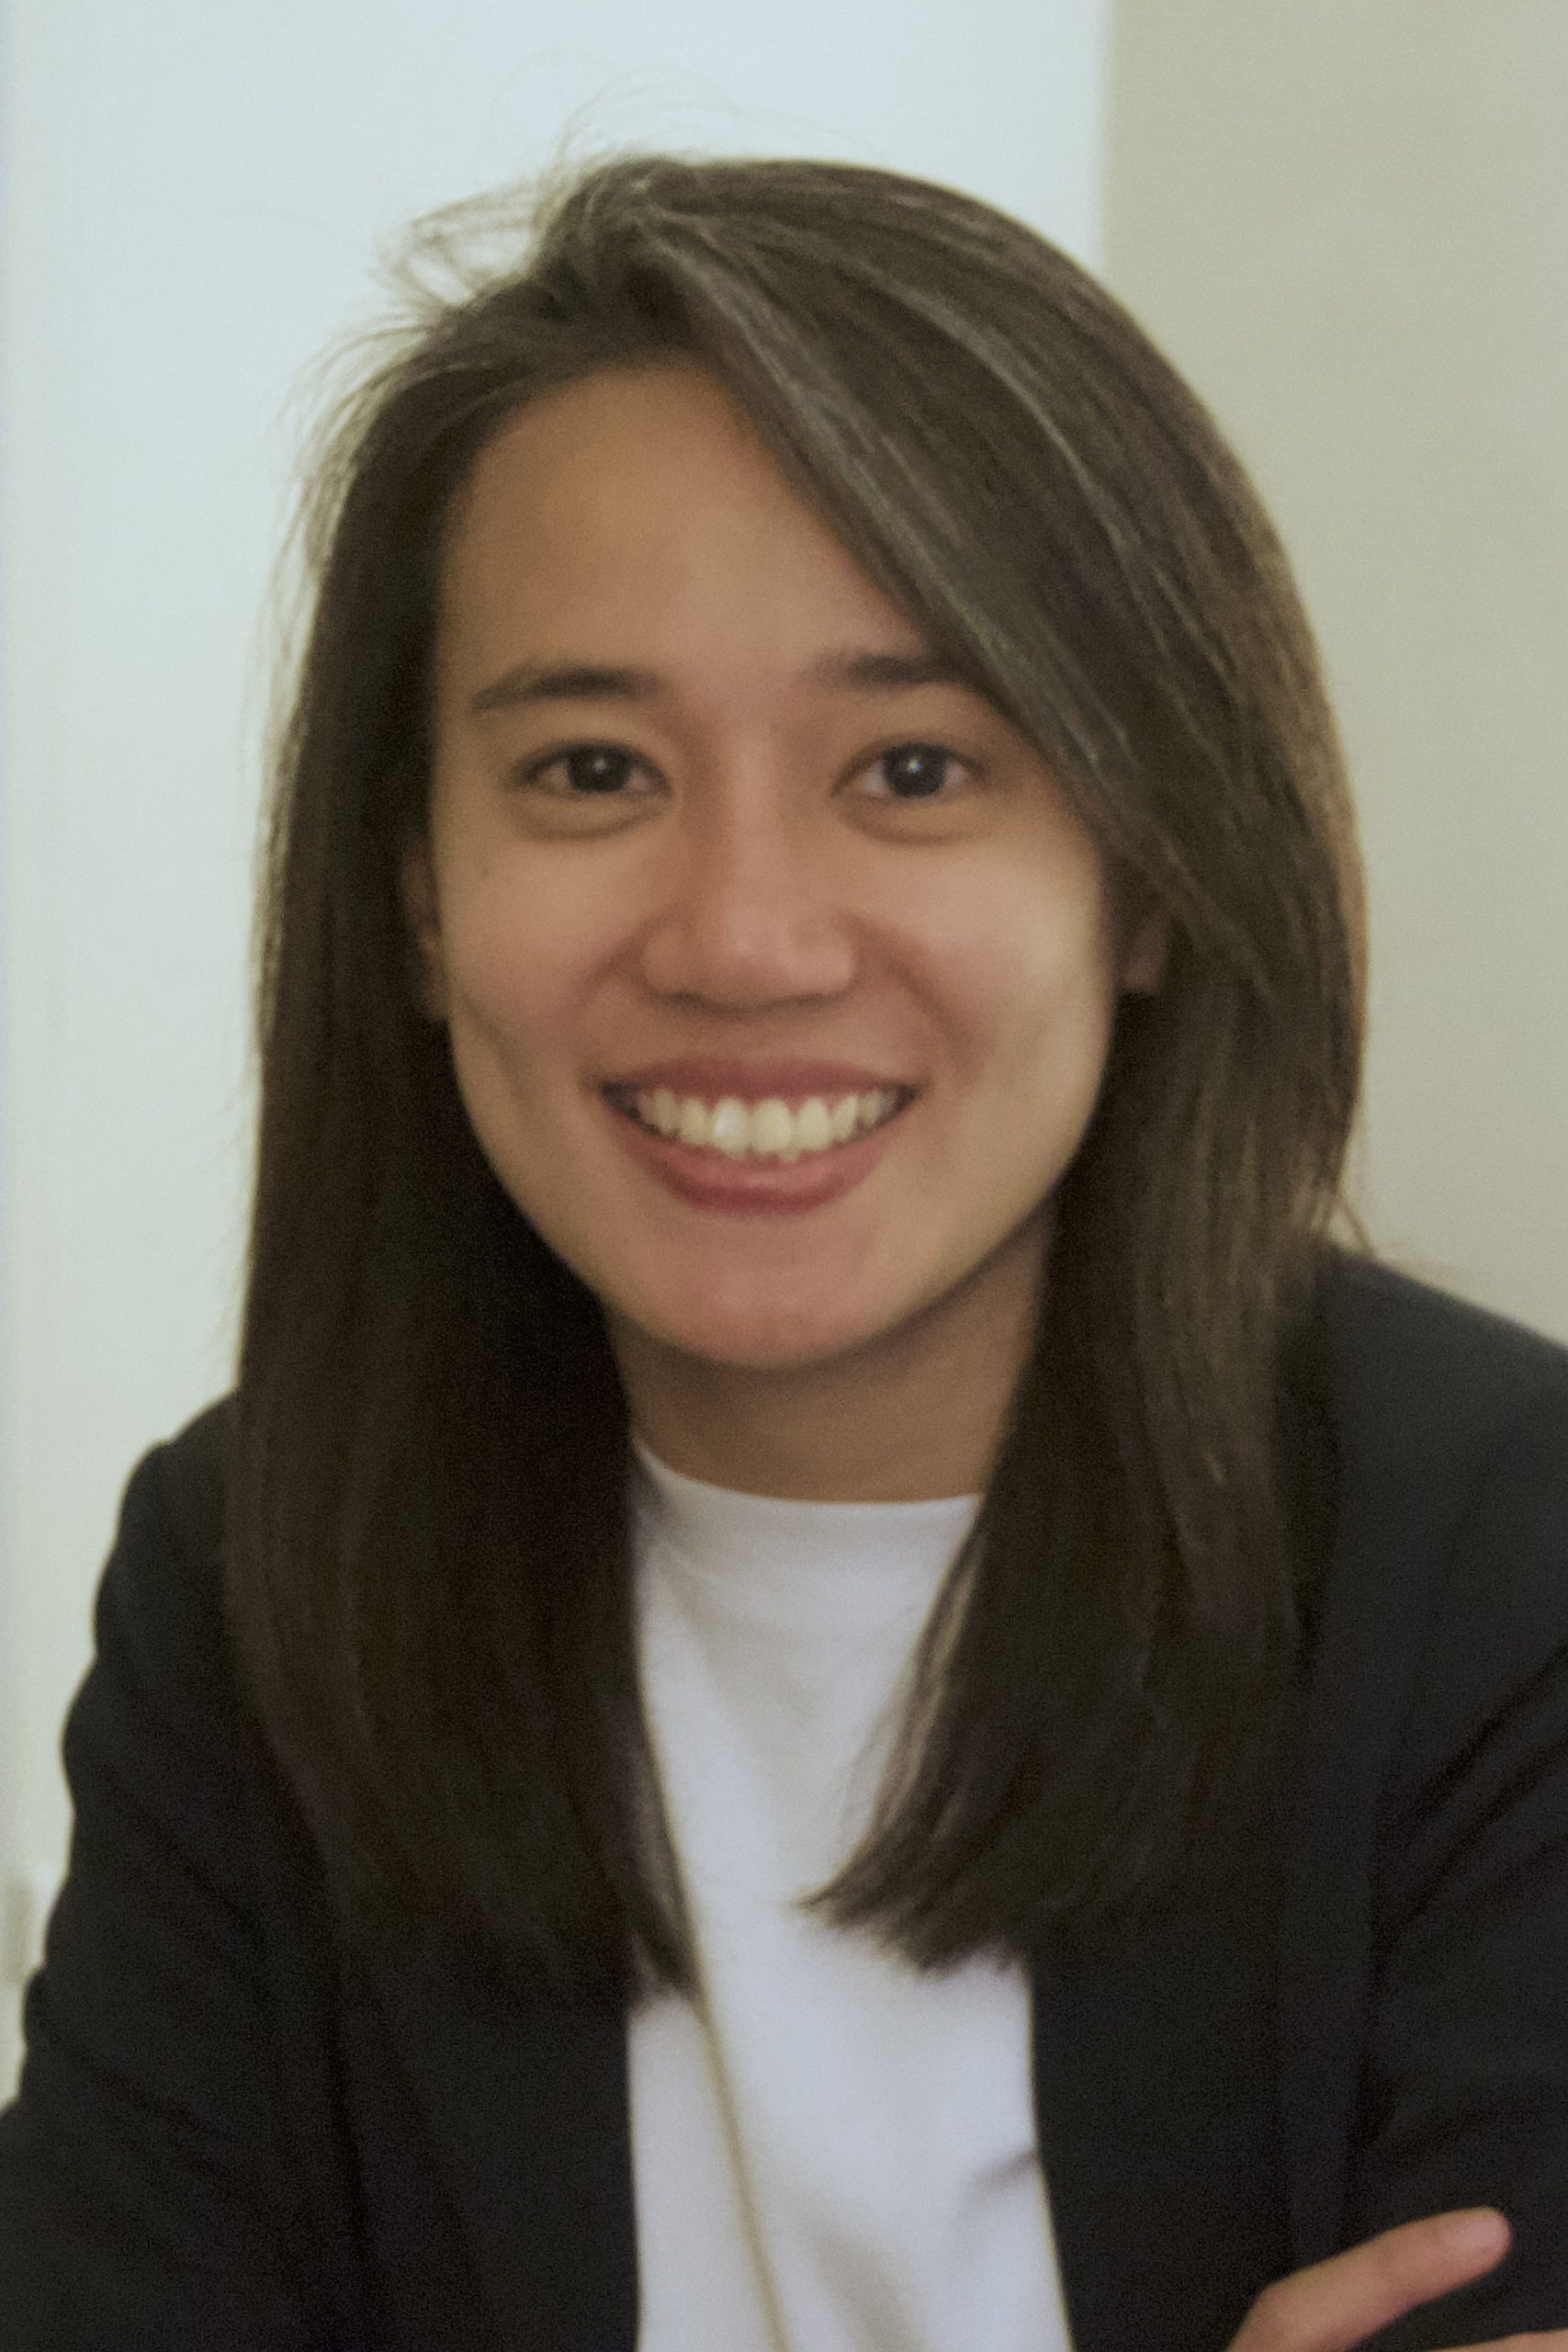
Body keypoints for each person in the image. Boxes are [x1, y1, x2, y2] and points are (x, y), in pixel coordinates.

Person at [0, 149, 1565, 2352]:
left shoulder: (1503, 1568)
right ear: (418, 894)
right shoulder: (256, 1578)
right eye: (588, 769)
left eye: (912, 764)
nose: (740, 936)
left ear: (1145, 871)